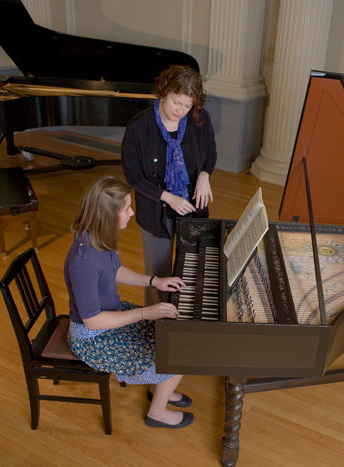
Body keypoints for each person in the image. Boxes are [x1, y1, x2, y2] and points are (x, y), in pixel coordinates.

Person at [65, 176, 193, 429]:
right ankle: (157, 411)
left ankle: (162, 387)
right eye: (126, 209)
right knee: (178, 353)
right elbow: (93, 321)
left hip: (108, 316)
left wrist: (154, 281)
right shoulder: (83, 262)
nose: (132, 213)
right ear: (107, 215)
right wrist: (146, 312)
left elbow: (115, 271)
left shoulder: (98, 238)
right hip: (93, 337)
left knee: (173, 331)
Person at [122, 64, 217, 306]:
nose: (182, 111)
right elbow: (134, 178)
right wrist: (168, 197)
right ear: (163, 92)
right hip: (157, 212)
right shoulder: (138, 127)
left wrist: (205, 175)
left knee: (193, 268)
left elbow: (210, 153)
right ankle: (157, 328)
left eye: (188, 105)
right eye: (177, 103)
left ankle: (185, 322)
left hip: (194, 209)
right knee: (160, 276)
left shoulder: (200, 119)